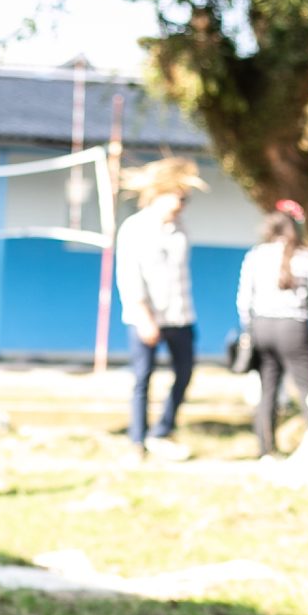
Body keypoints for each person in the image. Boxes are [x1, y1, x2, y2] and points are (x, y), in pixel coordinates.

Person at [115, 158, 202, 462]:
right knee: (142, 378)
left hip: (180, 315)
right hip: (147, 317)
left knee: (185, 372)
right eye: (177, 197)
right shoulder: (135, 228)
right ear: (159, 194)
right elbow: (129, 278)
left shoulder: (181, 230)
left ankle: (162, 431)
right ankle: (136, 441)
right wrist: (144, 318)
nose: (181, 204)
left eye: (185, 199)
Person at [234, 203, 308, 458]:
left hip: (262, 326)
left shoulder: (256, 255)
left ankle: (265, 449)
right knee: (307, 388)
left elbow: (243, 300)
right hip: (293, 327)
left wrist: (248, 327)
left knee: (268, 388)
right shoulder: (306, 257)